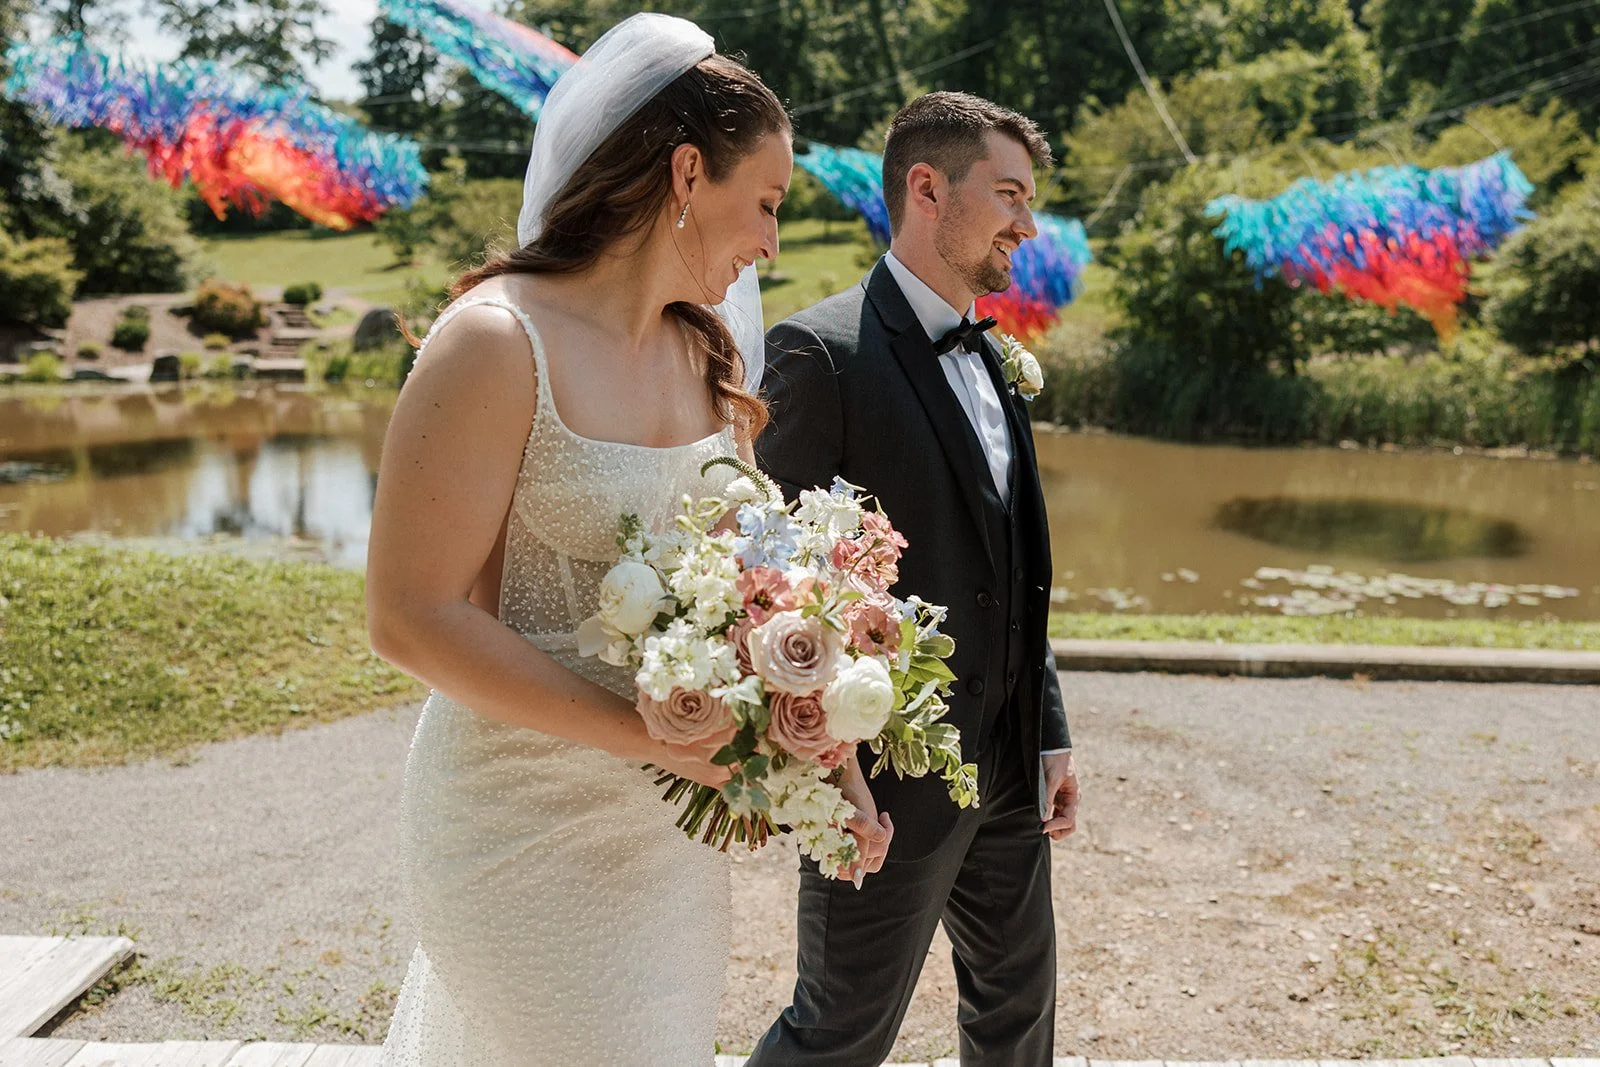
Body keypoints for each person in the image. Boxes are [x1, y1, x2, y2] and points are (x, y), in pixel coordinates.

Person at [365, 14, 884, 1065]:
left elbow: (757, 591)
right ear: (688, 173)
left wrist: (828, 752)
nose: (772, 244)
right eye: (768, 204)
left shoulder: (713, 362)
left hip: (663, 843)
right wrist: (658, 737)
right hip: (514, 820)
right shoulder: (496, 340)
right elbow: (408, 617)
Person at [749, 91, 1082, 1066]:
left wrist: (1047, 727)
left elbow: (1014, 573)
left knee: (1018, 1022)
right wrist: (833, 774)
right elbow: (778, 591)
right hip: (884, 780)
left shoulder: (995, 358)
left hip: (1009, 768)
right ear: (927, 188)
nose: (1028, 223)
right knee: (837, 1034)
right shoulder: (820, 354)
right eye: (1009, 194)